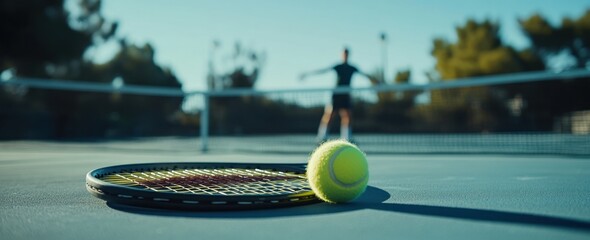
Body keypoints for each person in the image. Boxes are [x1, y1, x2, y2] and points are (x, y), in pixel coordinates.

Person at [300, 47, 373, 142]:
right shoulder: (338, 66)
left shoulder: (352, 68)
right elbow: (323, 70)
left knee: (347, 115)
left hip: (346, 94)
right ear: (342, 55)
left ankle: (347, 137)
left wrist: (376, 80)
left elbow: (365, 75)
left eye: (346, 54)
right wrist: (308, 74)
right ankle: (322, 136)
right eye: (344, 54)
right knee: (330, 114)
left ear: (348, 55)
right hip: (337, 94)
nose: (345, 55)